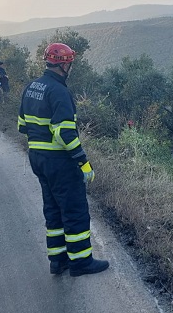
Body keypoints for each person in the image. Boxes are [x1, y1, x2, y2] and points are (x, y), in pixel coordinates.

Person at [18, 43, 109, 277]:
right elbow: (64, 133)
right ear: (65, 64)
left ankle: (57, 260)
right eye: (70, 63)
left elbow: (22, 126)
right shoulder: (59, 91)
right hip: (59, 161)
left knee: (53, 209)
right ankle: (81, 262)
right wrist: (84, 163)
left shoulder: (32, 87)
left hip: (37, 158)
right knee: (75, 210)